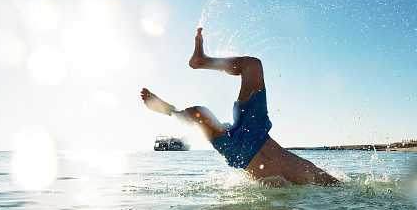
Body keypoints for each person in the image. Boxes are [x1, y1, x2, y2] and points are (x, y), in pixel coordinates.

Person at [141, 28, 338, 185]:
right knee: (252, 65)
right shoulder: (318, 180)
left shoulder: (317, 185)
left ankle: (169, 110)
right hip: (256, 130)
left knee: (198, 113)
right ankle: (201, 61)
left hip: (237, 150)